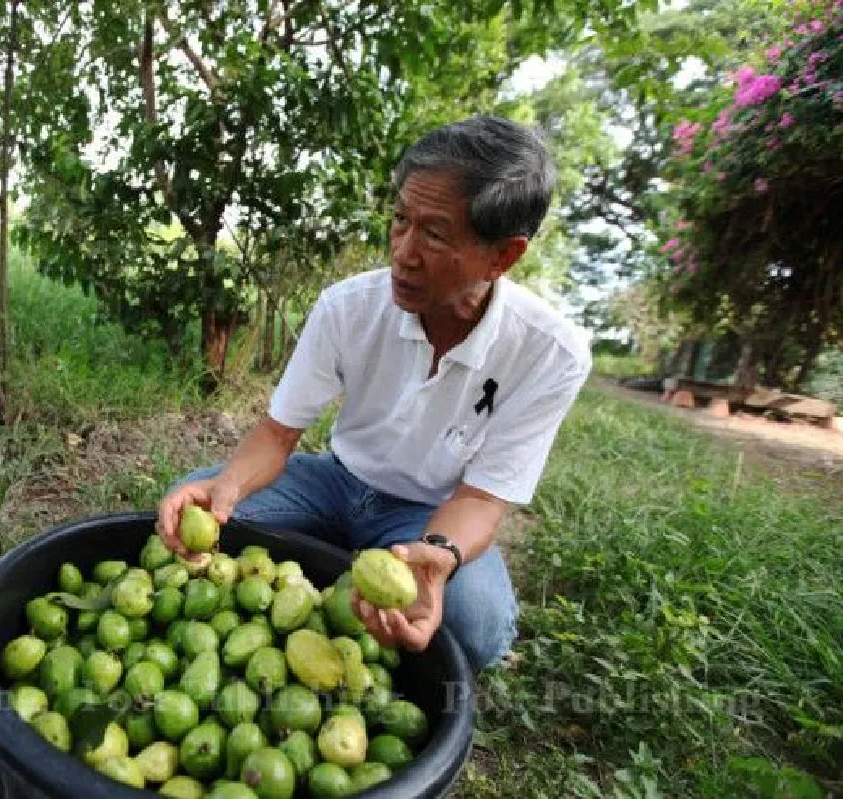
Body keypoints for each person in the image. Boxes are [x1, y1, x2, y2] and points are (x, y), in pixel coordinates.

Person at [155, 115, 592, 671]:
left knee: (477, 629)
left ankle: (360, 562)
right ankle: (347, 560)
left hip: (429, 513)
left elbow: (482, 499)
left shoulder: (549, 353)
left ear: (503, 256)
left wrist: (438, 555)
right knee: (191, 496)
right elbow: (278, 432)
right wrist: (227, 489)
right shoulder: (348, 307)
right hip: (334, 482)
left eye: (434, 234)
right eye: (400, 220)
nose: (404, 252)